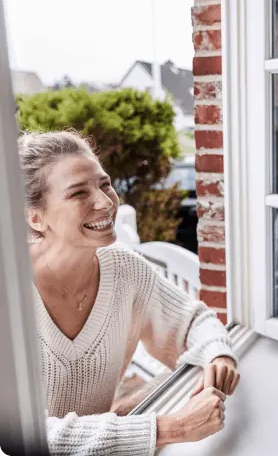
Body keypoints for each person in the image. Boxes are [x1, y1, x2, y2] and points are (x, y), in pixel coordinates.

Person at [18, 130, 240, 455]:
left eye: (104, 183)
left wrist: (218, 354)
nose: (105, 201)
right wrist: (171, 427)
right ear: (35, 217)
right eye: (79, 193)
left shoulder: (124, 268)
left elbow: (192, 321)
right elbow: (23, 434)